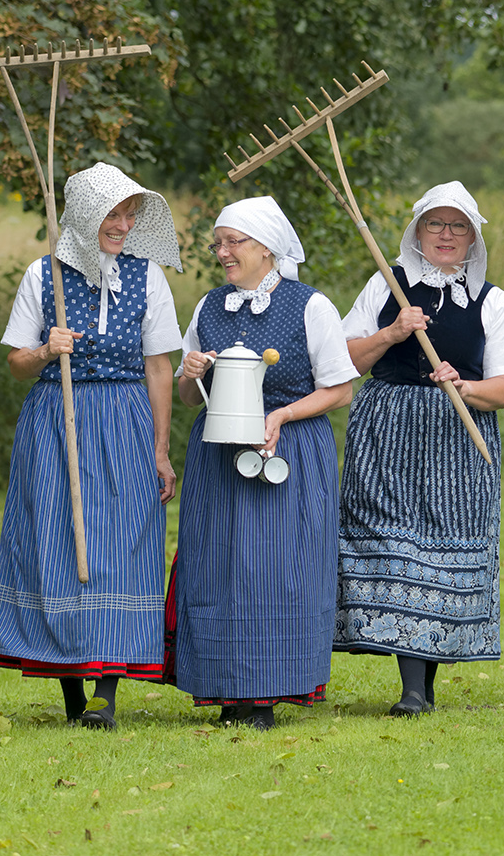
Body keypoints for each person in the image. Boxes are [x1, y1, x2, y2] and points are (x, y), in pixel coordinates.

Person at [0, 164, 183, 728]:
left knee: (122, 545)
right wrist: (47, 350)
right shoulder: (41, 275)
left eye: (129, 214)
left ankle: (107, 694)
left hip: (124, 418)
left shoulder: (147, 278)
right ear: (80, 216)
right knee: (56, 543)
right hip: (57, 418)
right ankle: (73, 690)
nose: (121, 225)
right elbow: (16, 363)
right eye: (111, 214)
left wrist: (160, 449)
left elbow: (159, 368)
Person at [335, 182, 504, 716]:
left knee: (444, 548)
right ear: (417, 232)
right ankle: (412, 690)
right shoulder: (386, 286)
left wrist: (464, 387)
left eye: (458, 226)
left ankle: (423, 683)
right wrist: (393, 333)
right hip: (387, 428)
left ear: (473, 238)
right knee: (394, 543)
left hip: (458, 435)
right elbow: (347, 361)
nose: (446, 235)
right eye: (435, 225)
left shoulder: (493, 301)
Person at [170, 196, 357, 729]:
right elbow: (189, 398)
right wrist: (190, 373)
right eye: (218, 244)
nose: (223, 253)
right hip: (218, 456)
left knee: (276, 569)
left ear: (267, 248)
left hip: (288, 452)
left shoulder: (309, 305)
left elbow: (339, 390)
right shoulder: (209, 307)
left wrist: (281, 416)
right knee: (220, 566)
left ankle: (265, 692)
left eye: (234, 242)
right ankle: (225, 688)